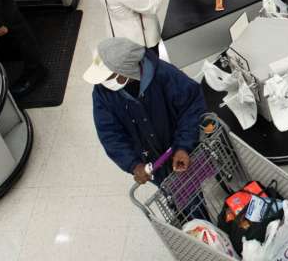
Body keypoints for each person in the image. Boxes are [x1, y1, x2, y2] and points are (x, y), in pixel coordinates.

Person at [85, 37, 203, 184]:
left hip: (184, 148)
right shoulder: (102, 93)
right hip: (152, 162)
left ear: (126, 71)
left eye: (108, 77)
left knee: (198, 177)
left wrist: (183, 146)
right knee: (178, 195)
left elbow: (192, 105)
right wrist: (133, 164)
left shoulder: (164, 75)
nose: (103, 83)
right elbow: (109, 134)